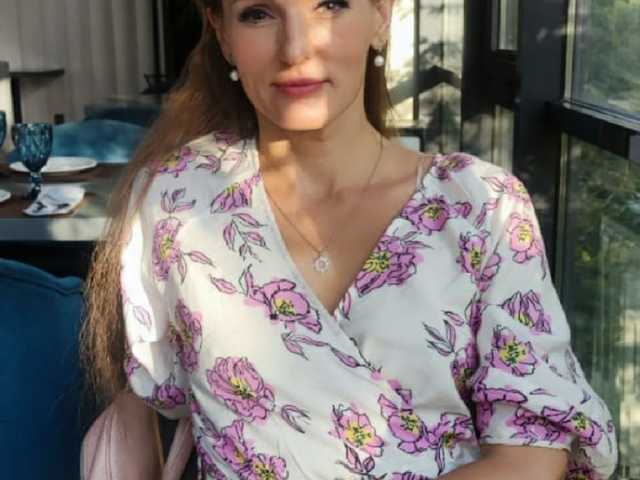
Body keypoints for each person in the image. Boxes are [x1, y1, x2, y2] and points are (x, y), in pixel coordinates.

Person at [82, 0, 618, 478]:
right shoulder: (176, 196)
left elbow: (532, 453)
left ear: (381, 14)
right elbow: (165, 394)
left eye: (331, 4)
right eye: (258, 14)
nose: (296, 49)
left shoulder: (480, 205)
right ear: (222, 33)